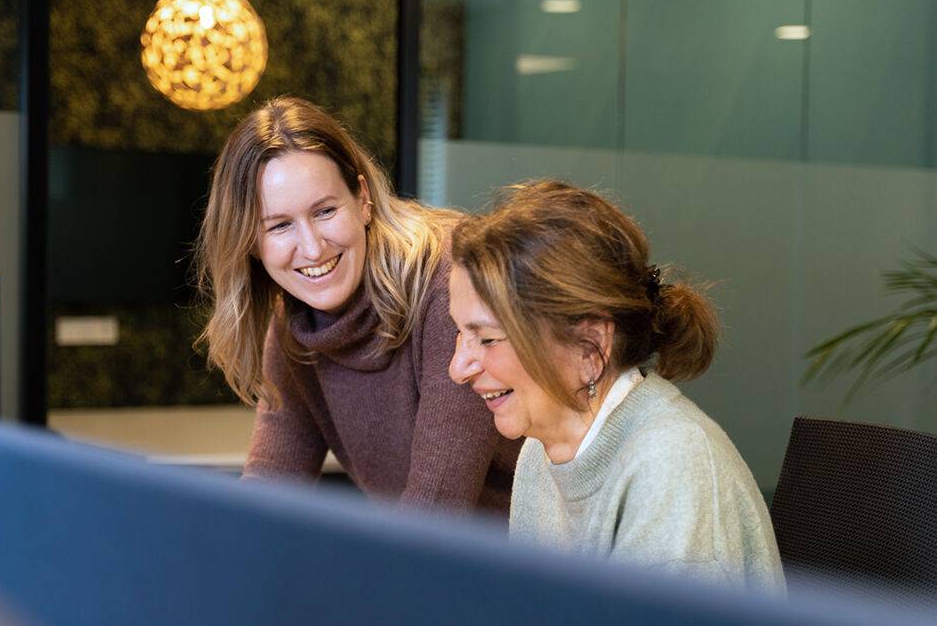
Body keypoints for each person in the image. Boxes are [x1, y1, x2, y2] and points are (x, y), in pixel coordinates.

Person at [447, 179, 784, 590]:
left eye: (487, 339)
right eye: (459, 333)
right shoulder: (541, 449)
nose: (458, 368)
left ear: (590, 347)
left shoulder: (671, 468)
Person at [196, 96, 518, 513]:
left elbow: (436, 509)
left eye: (325, 211)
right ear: (250, 242)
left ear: (362, 199)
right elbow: (270, 485)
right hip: (431, 561)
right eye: (279, 226)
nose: (312, 248)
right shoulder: (297, 321)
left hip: (531, 560)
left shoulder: (450, 285)